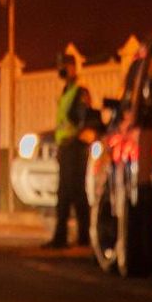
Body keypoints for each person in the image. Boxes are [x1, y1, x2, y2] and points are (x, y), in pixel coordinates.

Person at [46, 51, 92, 249]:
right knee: (67, 192)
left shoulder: (79, 91)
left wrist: (74, 137)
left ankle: (76, 237)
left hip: (76, 147)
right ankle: (70, 237)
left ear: (73, 67)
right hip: (65, 147)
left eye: (64, 65)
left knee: (73, 192)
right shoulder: (66, 91)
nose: (61, 69)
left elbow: (83, 118)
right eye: (59, 66)